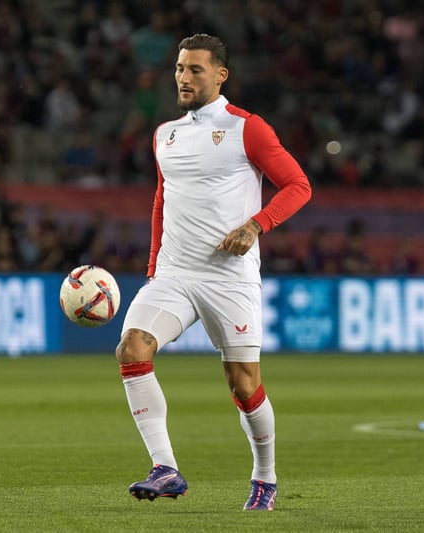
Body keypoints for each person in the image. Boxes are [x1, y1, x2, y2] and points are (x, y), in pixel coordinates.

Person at [115, 33, 312, 511]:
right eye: (179, 68)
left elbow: (298, 185)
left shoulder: (248, 128)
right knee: (131, 349)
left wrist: (256, 225)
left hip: (229, 277)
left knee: (244, 385)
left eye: (195, 70)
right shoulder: (165, 134)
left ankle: (265, 478)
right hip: (175, 274)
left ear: (221, 75)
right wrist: (154, 268)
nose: (183, 77)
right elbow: (162, 201)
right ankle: (165, 468)